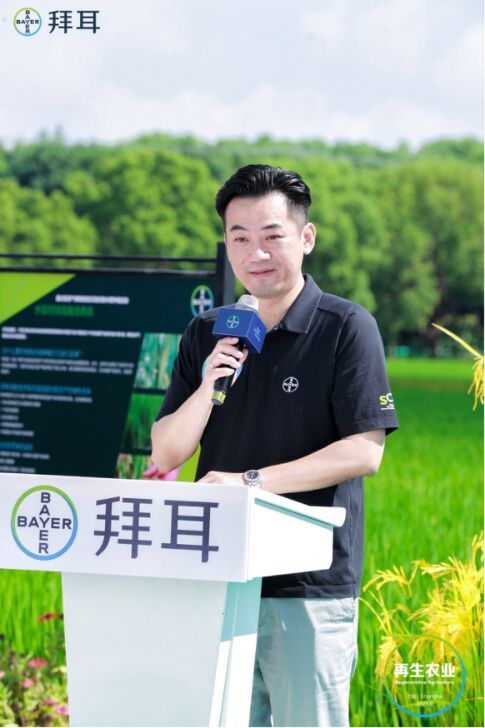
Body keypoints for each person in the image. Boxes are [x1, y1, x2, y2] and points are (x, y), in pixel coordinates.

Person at [151, 164, 399, 727]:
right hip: (217, 576)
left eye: (271, 236)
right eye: (239, 238)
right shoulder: (208, 332)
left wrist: (249, 484)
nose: (255, 252)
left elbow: (364, 451)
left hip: (307, 587)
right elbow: (166, 453)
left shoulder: (346, 327)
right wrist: (210, 384)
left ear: (306, 238)